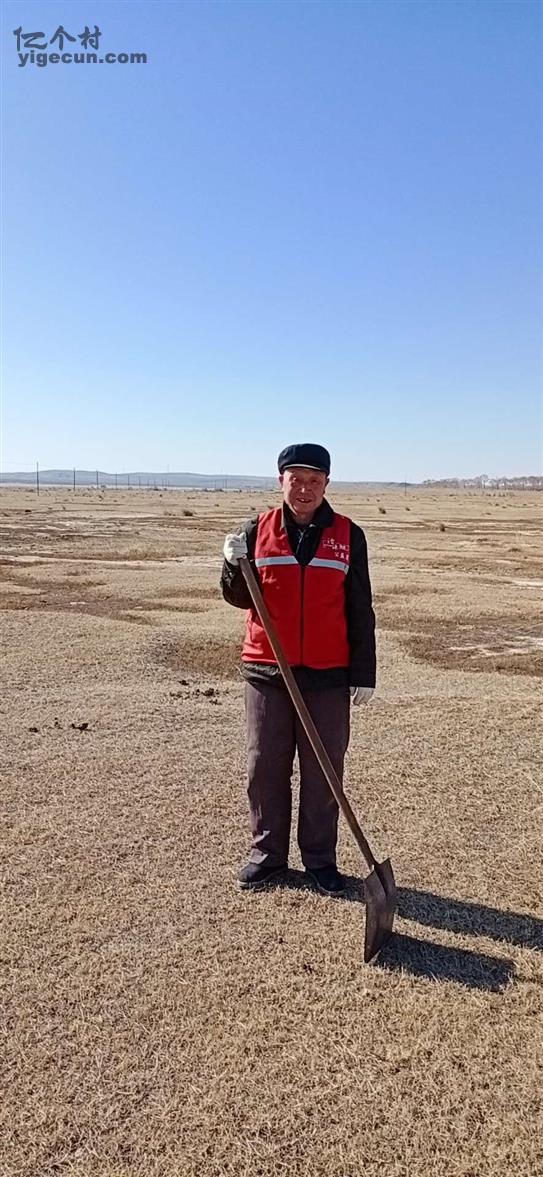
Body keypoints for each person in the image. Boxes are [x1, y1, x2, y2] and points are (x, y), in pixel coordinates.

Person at [221, 442, 376, 896]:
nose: (304, 489)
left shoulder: (348, 534)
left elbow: (359, 607)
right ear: (281, 481)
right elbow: (239, 597)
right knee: (264, 766)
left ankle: (320, 861)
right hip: (267, 670)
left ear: (326, 483)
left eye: (314, 480)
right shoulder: (256, 530)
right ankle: (267, 856)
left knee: (324, 771)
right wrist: (231, 565)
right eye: (296, 480)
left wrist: (364, 672)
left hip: (327, 675)